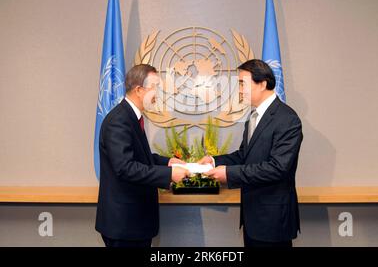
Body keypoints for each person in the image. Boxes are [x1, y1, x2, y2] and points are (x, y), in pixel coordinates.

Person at [200, 59, 303, 247]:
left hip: (273, 220)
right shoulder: (254, 117)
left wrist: (228, 174)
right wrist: (213, 162)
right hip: (253, 217)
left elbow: (277, 168)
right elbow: (243, 156)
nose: (239, 89)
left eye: (242, 83)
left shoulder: (287, 119)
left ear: (262, 83)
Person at [95, 64, 189, 247]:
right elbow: (125, 168)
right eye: (155, 87)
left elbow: (140, 157)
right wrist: (169, 175)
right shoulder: (119, 121)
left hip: (134, 223)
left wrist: (167, 162)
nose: (158, 94)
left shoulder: (131, 117)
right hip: (125, 225)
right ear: (139, 90)